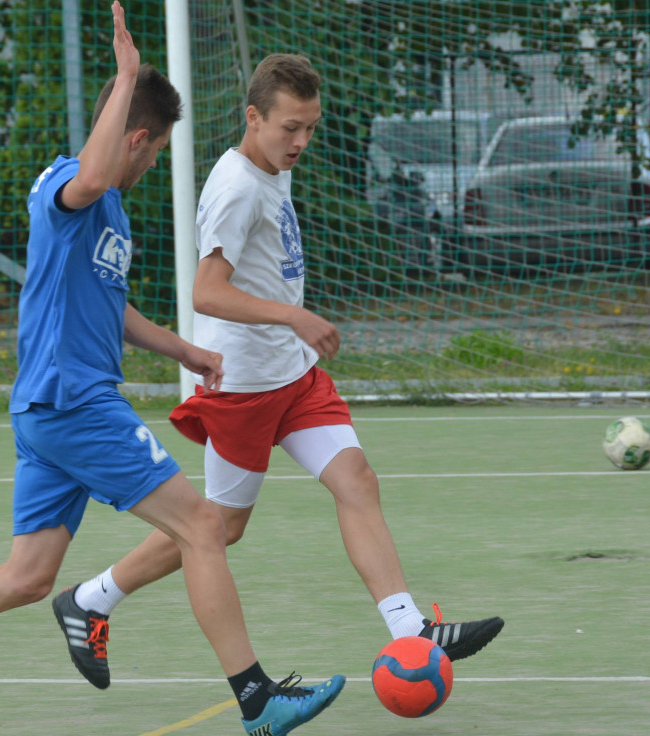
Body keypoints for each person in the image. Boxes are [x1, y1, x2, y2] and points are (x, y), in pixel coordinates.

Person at [0, 6, 344, 736]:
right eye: (157, 149)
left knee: (27, 577)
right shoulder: (72, 186)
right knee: (203, 526)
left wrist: (183, 351)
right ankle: (257, 699)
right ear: (137, 136)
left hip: (50, 408)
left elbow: (113, 305)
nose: (155, 162)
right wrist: (129, 73)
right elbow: (98, 169)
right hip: (72, 402)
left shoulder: (114, 217)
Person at [53, 53, 505, 692]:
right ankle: (92, 598)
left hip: (291, 377)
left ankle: (410, 632)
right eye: (289, 127)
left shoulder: (271, 168)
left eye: (311, 128)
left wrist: (290, 331)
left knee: (357, 480)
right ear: (253, 117)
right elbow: (207, 293)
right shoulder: (236, 188)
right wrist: (291, 317)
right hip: (242, 388)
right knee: (220, 526)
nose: (301, 141)